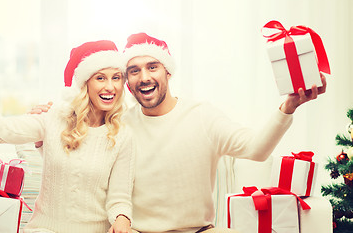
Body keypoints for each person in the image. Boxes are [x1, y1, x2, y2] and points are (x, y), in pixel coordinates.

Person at [31, 33, 327, 233]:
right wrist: (49, 123)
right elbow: (78, 154)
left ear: (167, 72)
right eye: (133, 71)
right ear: (127, 83)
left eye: (152, 67)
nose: (144, 77)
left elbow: (256, 149)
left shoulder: (202, 116)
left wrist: (288, 107)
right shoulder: (120, 124)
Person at [0, 40, 135, 233]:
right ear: (85, 83)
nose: (110, 87)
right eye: (100, 78)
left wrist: (122, 219)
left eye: (116, 78)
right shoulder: (53, 117)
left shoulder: (123, 135)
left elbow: (120, 198)